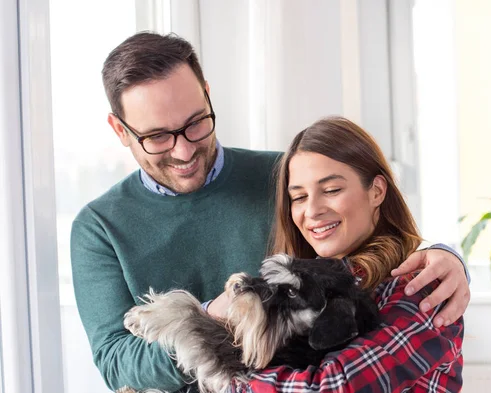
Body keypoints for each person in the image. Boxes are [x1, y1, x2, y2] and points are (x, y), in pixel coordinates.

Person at [70, 32, 469, 393]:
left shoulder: (284, 177)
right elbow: (118, 365)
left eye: (196, 124)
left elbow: (370, 233)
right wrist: (212, 319)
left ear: (208, 95)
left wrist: (446, 254)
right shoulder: (99, 228)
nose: (184, 151)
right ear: (120, 130)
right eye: (157, 136)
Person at [231, 116, 463, 392]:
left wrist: (229, 378)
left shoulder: (421, 286)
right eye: (299, 197)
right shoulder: (304, 289)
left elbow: (335, 386)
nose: (313, 210)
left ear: (376, 191)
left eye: (331, 190)